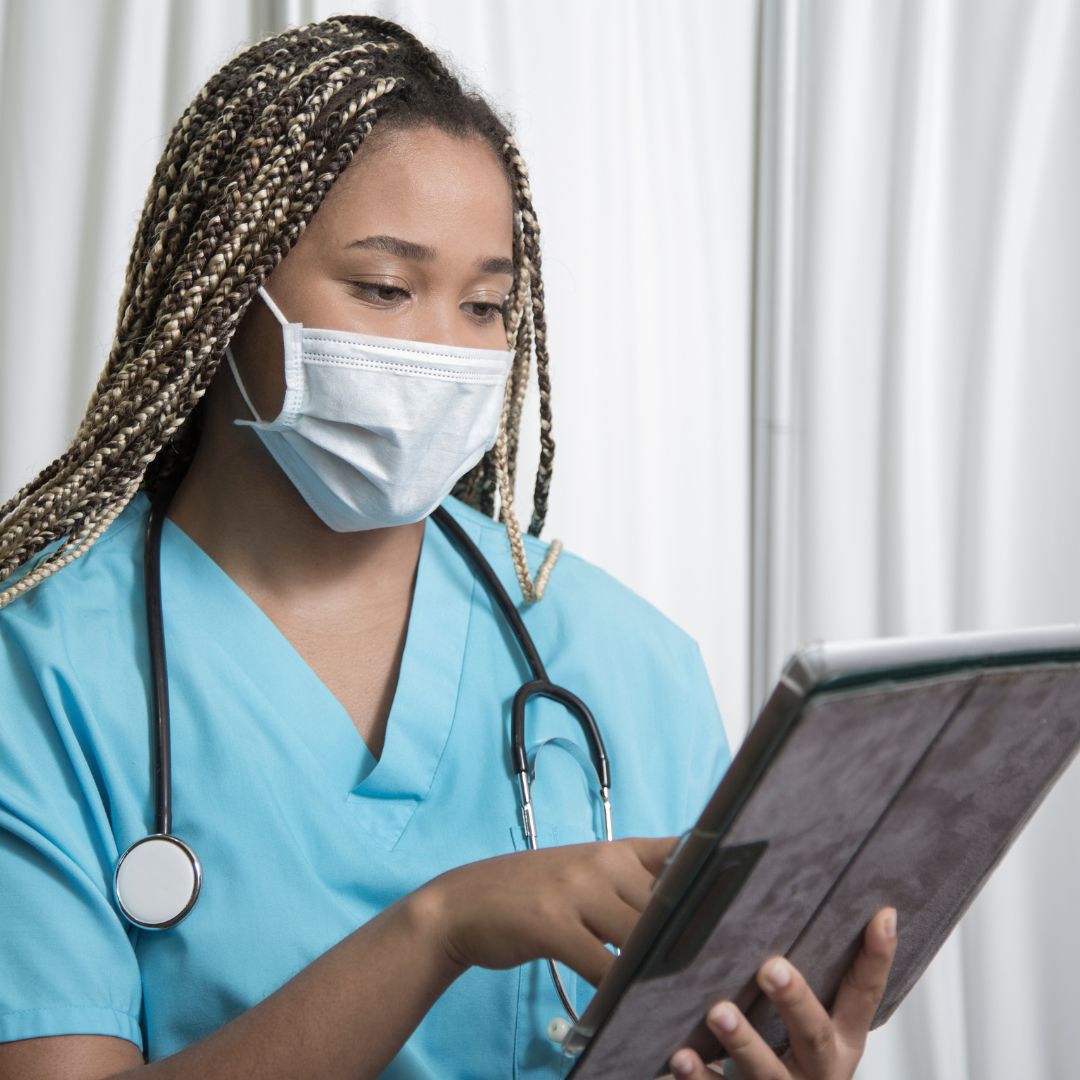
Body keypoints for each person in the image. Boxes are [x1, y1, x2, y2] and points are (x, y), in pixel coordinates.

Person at [0, 14, 896, 1080]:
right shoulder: (40, 660)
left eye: (485, 305)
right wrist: (440, 927)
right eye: (383, 289)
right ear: (224, 286)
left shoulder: (620, 657)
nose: (443, 352)